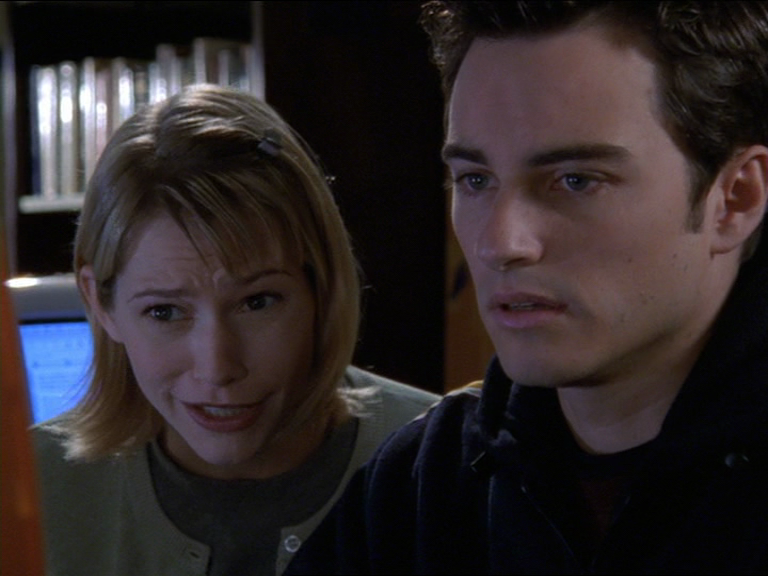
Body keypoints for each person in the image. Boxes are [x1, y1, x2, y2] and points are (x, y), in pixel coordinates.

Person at [285, 1, 768, 574]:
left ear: (735, 198)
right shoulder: (419, 487)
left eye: (575, 180)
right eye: (475, 179)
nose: (500, 243)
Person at [31, 83, 440, 576]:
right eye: (165, 312)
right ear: (100, 303)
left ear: (322, 287)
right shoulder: (25, 489)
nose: (217, 367)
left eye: (256, 302)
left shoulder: (447, 467)